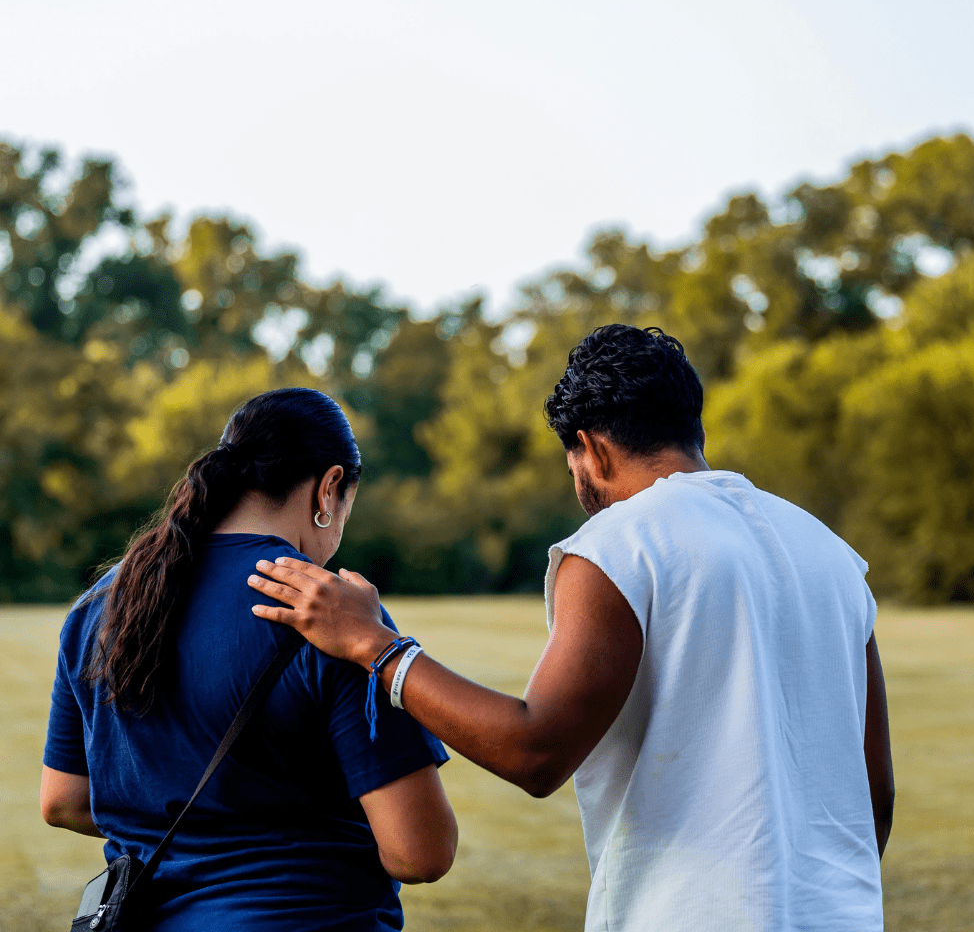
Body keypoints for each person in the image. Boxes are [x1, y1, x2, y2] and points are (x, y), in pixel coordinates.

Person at [249, 325, 895, 932]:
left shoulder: (622, 542)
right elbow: (875, 792)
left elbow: (536, 752)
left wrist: (378, 647)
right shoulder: (831, 554)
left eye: (572, 470)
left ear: (590, 447)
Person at [41, 387, 457, 931]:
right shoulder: (327, 614)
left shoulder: (100, 604)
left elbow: (64, 799)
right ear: (329, 489)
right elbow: (420, 852)